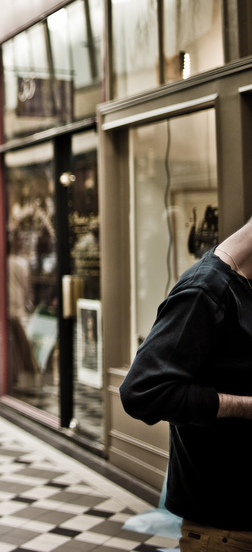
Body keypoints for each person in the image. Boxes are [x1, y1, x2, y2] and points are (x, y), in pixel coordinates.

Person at [120, 216, 252, 550]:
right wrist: (245, 406)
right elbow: (141, 392)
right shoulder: (206, 289)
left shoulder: (245, 288)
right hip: (224, 532)